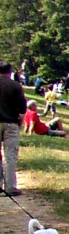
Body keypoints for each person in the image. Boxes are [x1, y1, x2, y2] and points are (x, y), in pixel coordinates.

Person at [0, 62, 26, 194]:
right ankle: (10, 187)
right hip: (10, 122)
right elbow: (22, 109)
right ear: (10, 72)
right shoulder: (16, 86)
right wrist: (20, 123)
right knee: (9, 155)